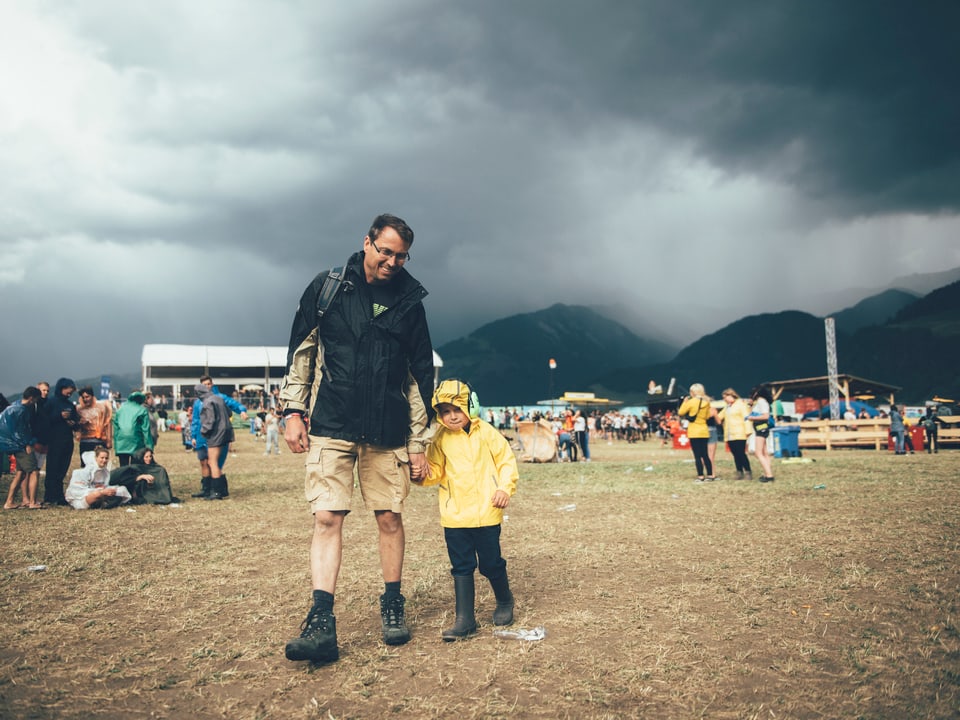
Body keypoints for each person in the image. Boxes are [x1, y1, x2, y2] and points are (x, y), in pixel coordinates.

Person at [280, 213, 435, 665]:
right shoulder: (328, 289)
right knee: (327, 517)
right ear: (366, 242)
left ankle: (392, 602)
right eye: (384, 250)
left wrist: (417, 440)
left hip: (387, 430)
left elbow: (417, 377)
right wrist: (293, 410)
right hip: (332, 424)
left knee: (389, 518)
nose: (391, 261)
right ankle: (322, 620)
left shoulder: (410, 301)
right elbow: (302, 352)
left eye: (400, 255)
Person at [419, 380, 519, 640]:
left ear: (470, 406)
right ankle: (465, 619)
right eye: (445, 411)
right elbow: (437, 470)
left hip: (487, 511)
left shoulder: (487, 433)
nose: (452, 416)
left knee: (490, 563)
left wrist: (504, 489)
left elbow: (506, 461)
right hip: (454, 516)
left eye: (457, 409)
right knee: (461, 566)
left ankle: (505, 601)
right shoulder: (439, 439)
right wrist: (422, 475)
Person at [189, 376, 247, 499]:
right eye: (204, 384)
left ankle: (218, 490)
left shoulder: (220, 397)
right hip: (201, 435)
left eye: (209, 384)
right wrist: (193, 435)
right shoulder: (197, 402)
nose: (207, 386)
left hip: (213, 434)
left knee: (214, 463)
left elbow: (233, 405)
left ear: (212, 384)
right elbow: (195, 419)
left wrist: (242, 410)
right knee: (204, 462)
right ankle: (206, 489)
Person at [1, 387, 43, 509]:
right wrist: (27, 444)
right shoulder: (22, 410)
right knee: (34, 471)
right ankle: (32, 502)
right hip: (22, 446)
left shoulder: (14, 405)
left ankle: (9, 501)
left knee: (20, 473)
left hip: (14, 445)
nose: (36, 402)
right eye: (36, 399)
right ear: (31, 398)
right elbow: (21, 431)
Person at [42, 378, 81, 506]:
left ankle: (59, 496)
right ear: (61, 388)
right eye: (67, 391)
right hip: (54, 440)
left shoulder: (70, 405)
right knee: (52, 468)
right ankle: (49, 496)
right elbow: (43, 420)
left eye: (71, 392)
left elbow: (76, 422)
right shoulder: (51, 402)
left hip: (67, 440)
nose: (69, 394)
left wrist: (74, 424)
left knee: (62, 469)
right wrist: (59, 417)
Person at [194, 383, 235, 501]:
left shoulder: (207, 402)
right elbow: (229, 413)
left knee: (212, 462)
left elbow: (209, 421)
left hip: (216, 433)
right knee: (215, 461)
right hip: (227, 431)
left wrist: (203, 432)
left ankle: (217, 492)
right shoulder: (219, 398)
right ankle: (221, 490)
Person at [65, 446, 133, 509]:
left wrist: (108, 491)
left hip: (98, 493)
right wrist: (101, 491)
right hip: (82, 498)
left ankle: (103, 503)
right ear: (96, 458)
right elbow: (77, 491)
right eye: (102, 458)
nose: (104, 460)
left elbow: (105, 486)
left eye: (106, 458)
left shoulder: (105, 472)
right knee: (97, 494)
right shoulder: (83, 472)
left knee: (121, 489)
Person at [109, 447, 179, 504]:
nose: (149, 459)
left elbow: (164, 483)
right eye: (146, 457)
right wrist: (141, 477)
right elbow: (126, 479)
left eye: (150, 456)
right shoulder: (134, 468)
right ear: (141, 457)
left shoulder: (158, 469)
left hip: (154, 491)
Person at [678, 383, 717, 482]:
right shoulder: (706, 402)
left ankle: (700, 476)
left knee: (697, 455)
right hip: (704, 430)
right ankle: (710, 475)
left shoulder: (691, 402)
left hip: (694, 431)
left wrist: (684, 402)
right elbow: (707, 416)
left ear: (693, 392)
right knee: (705, 454)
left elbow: (681, 412)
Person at [718, 388, 753, 480]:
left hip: (739, 433)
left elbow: (747, 418)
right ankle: (739, 471)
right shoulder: (727, 407)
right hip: (730, 435)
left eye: (725, 397)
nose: (724, 399)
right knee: (735, 454)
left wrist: (748, 431)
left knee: (741, 453)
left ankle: (748, 471)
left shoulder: (741, 404)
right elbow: (719, 417)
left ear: (731, 395)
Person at [113, 391, 154, 466]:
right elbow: (146, 430)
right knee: (136, 467)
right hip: (136, 443)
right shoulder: (142, 410)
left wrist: (116, 445)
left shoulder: (120, 410)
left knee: (123, 468)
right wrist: (149, 446)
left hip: (121, 443)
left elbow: (116, 428)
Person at [76, 386, 113, 466]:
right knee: (85, 464)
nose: (85, 399)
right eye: (83, 397)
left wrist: (109, 440)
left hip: (98, 440)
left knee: (99, 464)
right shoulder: (79, 409)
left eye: (87, 396)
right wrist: (80, 423)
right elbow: (75, 425)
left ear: (92, 396)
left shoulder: (101, 407)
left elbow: (108, 423)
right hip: (85, 441)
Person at [748, 386, 776, 481]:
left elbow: (766, 416)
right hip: (761, 428)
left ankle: (769, 475)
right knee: (764, 453)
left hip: (761, 428)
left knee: (758, 452)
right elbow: (751, 413)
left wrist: (753, 418)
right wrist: (750, 406)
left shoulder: (761, 402)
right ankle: (767, 473)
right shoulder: (760, 402)